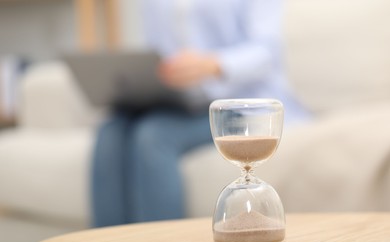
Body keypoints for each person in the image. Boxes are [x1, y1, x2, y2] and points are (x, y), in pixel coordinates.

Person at [91, 0, 310, 227]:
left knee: (152, 136)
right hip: (179, 101)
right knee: (111, 131)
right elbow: (155, 48)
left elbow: (267, 51)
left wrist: (213, 64)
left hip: (235, 106)